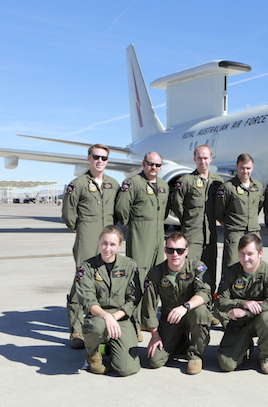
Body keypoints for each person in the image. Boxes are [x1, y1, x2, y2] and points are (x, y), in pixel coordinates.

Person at [62, 144, 119, 349]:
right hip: (87, 235)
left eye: (104, 158)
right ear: (88, 158)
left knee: (106, 278)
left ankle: (101, 324)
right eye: (96, 157)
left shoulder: (113, 184)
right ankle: (76, 329)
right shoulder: (77, 184)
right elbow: (68, 215)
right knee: (82, 277)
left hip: (108, 238)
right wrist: (82, 229)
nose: (100, 161)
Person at [115, 151, 170, 339]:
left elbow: (164, 211)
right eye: (151, 164)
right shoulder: (132, 183)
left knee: (155, 278)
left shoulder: (163, 186)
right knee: (139, 277)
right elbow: (122, 209)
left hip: (157, 234)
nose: (154, 168)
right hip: (140, 232)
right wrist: (133, 224)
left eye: (158, 165)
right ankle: (134, 323)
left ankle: (149, 320)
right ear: (143, 163)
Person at [142, 232, 213, 375]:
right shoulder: (156, 273)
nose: (175, 254)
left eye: (179, 251)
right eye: (170, 250)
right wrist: (155, 335)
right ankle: (181, 342)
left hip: (191, 313)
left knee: (201, 311)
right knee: (155, 360)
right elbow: (149, 306)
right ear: (165, 251)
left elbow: (205, 294)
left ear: (186, 251)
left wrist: (185, 307)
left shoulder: (196, 268)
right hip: (170, 319)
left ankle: (195, 355)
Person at [75, 225, 141, 376]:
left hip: (121, 318)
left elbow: (134, 298)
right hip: (98, 316)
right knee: (96, 327)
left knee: (126, 369)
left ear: (119, 245)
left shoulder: (129, 265)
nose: (107, 248)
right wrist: (106, 316)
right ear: (99, 242)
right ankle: (93, 354)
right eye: (104, 243)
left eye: (112, 244)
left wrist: (114, 317)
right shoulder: (87, 267)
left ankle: (108, 347)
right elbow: (88, 300)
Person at [215, 233, 268, 374]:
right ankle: (245, 345)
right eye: (242, 254)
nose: (245, 259)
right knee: (226, 365)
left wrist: (247, 311)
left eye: (250, 254)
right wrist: (243, 304)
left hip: (259, 321)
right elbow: (220, 300)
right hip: (237, 323)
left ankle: (265, 357)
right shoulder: (231, 272)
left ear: (260, 253)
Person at [170, 144, 224, 291]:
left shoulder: (218, 182)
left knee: (209, 269)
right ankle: (187, 299)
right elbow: (176, 203)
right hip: (192, 235)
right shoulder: (186, 181)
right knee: (189, 268)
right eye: (199, 158)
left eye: (206, 158)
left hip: (210, 235)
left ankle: (207, 300)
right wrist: (187, 220)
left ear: (211, 159)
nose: (203, 161)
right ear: (194, 159)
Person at [215, 154, 264, 273]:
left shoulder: (258, 186)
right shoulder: (227, 187)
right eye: (242, 167)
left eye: (248, 168)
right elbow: (218, 210)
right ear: (237, 166)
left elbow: (258, 206)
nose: (245, 171)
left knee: (254, 266)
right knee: (231, 265)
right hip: (235, 233)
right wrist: (227, 224)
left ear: (252, 168)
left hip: (253, 232)